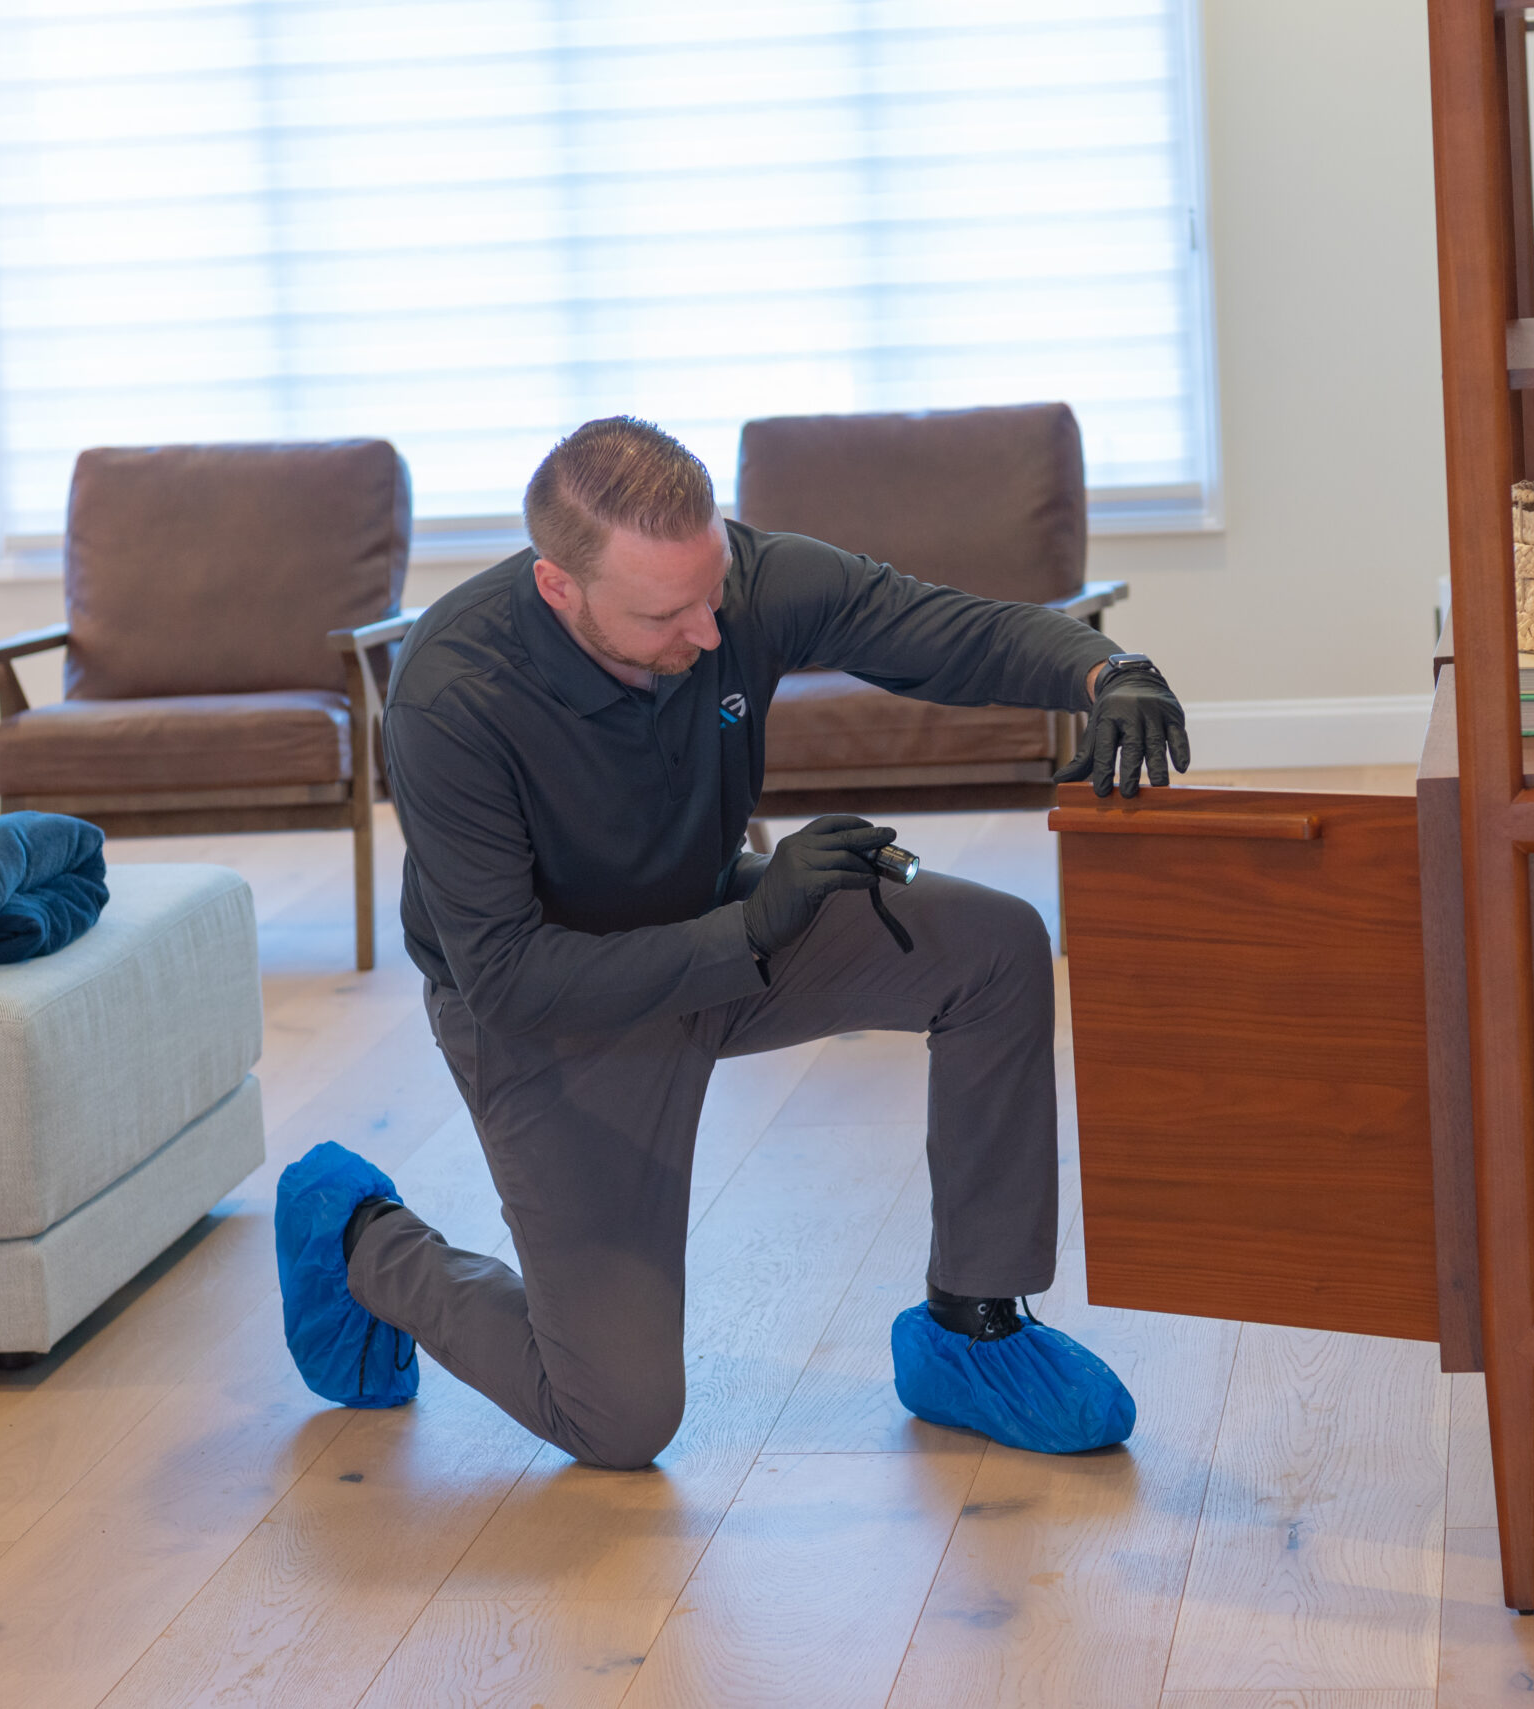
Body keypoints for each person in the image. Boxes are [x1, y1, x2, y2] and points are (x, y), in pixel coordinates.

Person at [274, 416, 1189, 1468]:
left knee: (991, 944)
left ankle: (971, 1326)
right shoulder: (451, 697)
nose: (711, 633)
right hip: (557, 1010)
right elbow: (513, 978)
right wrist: (752, 925)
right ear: (558, 588)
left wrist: (1103, 671)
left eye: (714, 592)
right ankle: (357, 1239)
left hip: (722, 927)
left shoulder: (732, 583)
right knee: (618, 1417)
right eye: (668, 613)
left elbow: (932, 626)